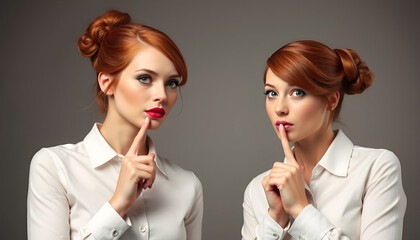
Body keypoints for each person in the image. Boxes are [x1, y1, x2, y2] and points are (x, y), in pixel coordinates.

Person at [27, 10, 203, 240]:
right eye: (145, 78)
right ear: (107, 82)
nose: (162, 94)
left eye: (171, 83)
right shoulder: (54, 168)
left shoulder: (187, 185)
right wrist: (118, 204)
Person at [241, 40, 406, 240]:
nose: (279, 108)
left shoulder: (377, 168)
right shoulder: (258, 189)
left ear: (332, 100)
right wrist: (275, 219)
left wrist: (300, 210)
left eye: (297, 92)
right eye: (272, 93)